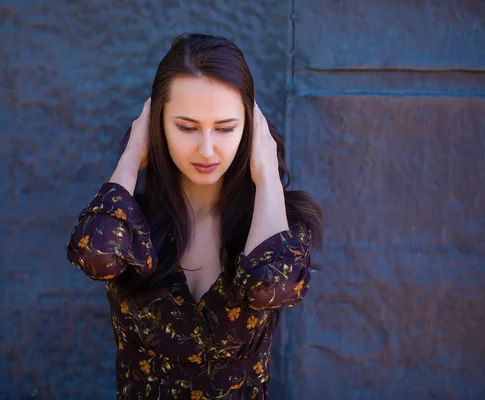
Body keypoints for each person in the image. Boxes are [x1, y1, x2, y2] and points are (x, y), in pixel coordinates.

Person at [66, 33, 323, 399]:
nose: (206, 149)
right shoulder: (127, 222)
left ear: (251, 129)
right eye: (186, 127)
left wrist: (266, 176)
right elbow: (95, 256)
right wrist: (131, 157)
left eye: (225, 128)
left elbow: (271, 286)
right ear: (158, 124)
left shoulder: (279, 220)